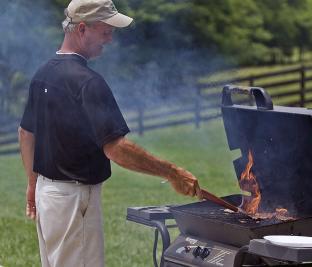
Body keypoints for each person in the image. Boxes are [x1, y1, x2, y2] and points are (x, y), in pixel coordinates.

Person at [18, 0, 201, 266]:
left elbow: (25, 133)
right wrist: (171, 171)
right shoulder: (88, 83)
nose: (110, 40)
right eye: (106, 32)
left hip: (49, 197)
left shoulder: (43, 74)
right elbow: (116, 148)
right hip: (73, 201)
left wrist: (33, 184)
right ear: (82, 29)